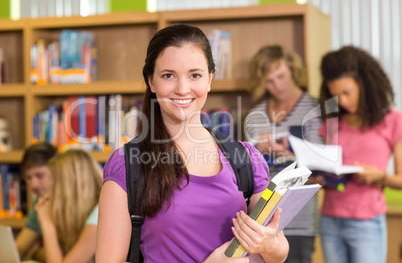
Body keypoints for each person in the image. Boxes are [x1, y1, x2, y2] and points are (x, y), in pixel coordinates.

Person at [96, 24, 289, 262]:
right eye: (168, 75)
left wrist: (270, 245)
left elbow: (278, 251)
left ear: (209, 79)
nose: (182, 89)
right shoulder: (127, 166)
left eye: (194, 75)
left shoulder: (244, 158)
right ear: (151, 82)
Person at [318, 45, 402, 263]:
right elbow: (325, 169)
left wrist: (381, 177)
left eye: (347, 92)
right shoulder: (332, 123)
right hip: (330, 220)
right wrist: (319, 176)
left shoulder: (393, 120)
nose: (343, 101)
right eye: (336, 96)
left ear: (365, 85)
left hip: (367, 223)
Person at [244, 45, 322, 263]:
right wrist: (256, 150)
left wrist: (288, 152)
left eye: (281, 76)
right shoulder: (255, 115)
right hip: (261, 216)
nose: (277, 86)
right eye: (269, 81)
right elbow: (244, 169)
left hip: (300, 218)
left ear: (293, 70)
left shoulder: (314, 108)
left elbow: (322, 163)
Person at [35, 149, 103, 263]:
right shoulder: (79, 212)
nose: (48, 186)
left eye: (53, 180)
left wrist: (47, 224)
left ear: (72, 181)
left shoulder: (101, 213)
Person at [16, 142, 57, 261]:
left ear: (57, 171)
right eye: (28, 178)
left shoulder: (75, 203)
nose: (33, 185)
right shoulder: (40, 201)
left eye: (39, 176)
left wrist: (35, 252)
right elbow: (20, 247)